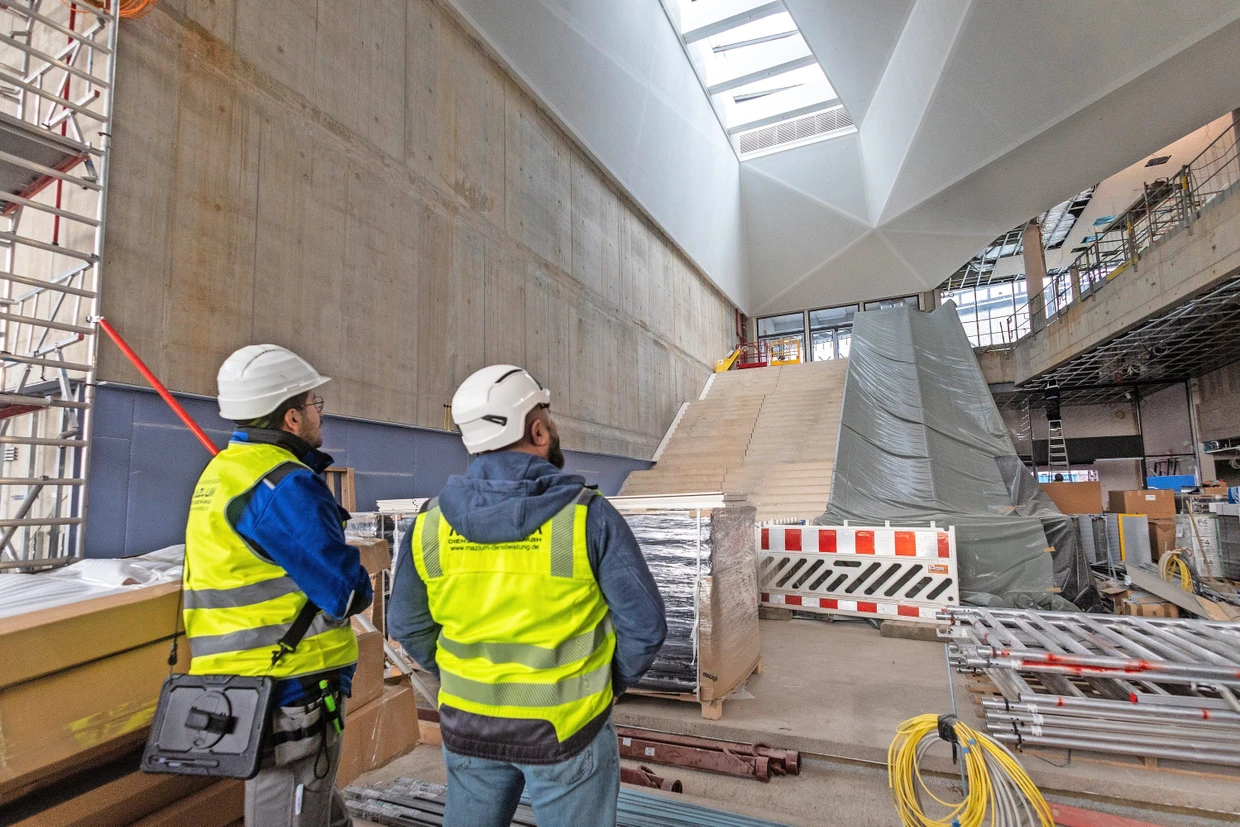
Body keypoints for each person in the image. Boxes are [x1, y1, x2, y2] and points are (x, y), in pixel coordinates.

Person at [388, 365, 667, 827]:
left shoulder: (429, 524)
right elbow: (646, 627)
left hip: (467, 725)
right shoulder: (587, 517)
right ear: (537, 431)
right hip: (567, 732)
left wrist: (461, 677)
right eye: (547, 417)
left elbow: (408, 625)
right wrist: (605, 682)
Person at [183, 344, 373, 827]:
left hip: (235, 678)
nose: (319, 415)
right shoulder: (284, 485)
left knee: (318, 806)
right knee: (287, 806)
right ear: (291, 418)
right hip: (291, 682)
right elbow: (345, 592)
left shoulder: (222, 472)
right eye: (315, 404)